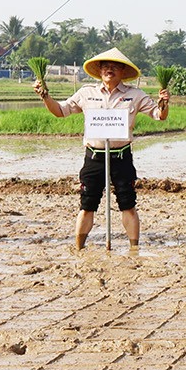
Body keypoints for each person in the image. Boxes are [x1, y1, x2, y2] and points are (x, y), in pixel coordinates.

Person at [35, 48, 167, 250]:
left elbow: (159, 115)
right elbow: (61, 111)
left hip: (121, 157)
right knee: (87, 204)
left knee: (128, 204)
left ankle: (134, 248)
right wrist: (46, 97)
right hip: (94, 157)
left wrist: (164, 103)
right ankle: (79, 248)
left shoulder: (135, 95)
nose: (109, 69)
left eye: (115, 66)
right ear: (99, 71)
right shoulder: (86, 93)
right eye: (105, 66)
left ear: (123, 72)